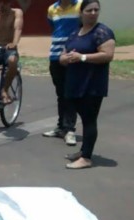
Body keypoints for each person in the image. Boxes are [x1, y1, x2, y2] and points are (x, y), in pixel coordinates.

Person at [60, 0, 115, 169]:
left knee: (90, 120)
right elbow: (63, 56)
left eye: (96, 10)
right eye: (89, 10)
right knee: (83, 119)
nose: (93, 13)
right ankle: (84, 150)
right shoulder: (75, 33)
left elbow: (108, 55)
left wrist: (82, 57)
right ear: (81, 12)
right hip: (75, 83)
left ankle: (86, 158)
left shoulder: (103, 32)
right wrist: (66, 58)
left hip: (92, 85)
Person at [43, 0, 81, 145]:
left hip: (73, 55)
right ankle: (61, 127)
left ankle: (70, 129)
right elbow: (54, 27)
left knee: (70, 93)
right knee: (61, 93)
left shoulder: (80, 5)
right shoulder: (52, 9)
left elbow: (85, 28)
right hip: (55, 56)